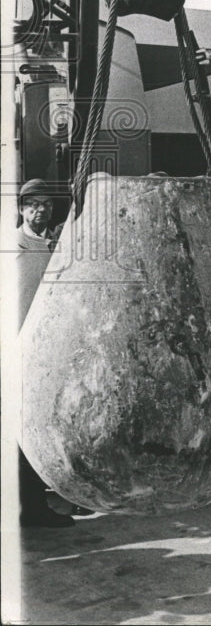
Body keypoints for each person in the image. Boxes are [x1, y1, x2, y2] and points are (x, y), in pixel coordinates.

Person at [15, 179, 77, 528]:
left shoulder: (57, 245)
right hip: (18, 349)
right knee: (24, 431)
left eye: (45, 206)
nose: (39, 211)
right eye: (32, 205)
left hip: (50, 349)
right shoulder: (11, 244)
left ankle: (68, 496)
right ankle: (32, 507)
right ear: (21, 209)